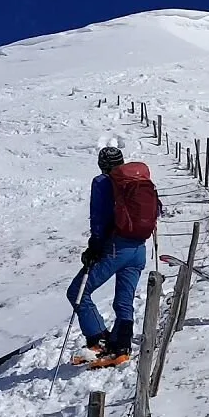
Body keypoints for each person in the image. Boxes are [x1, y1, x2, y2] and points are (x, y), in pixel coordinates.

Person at [67, 146, 158, 367]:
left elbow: (99, 218)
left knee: (78, 292)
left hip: (117, 249)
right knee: (123, 301)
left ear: (101, 164)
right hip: (139, 248)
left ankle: (98, 341)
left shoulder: (102, 183)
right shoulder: (137, 183)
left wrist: (94, 247)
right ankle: (121, 348)